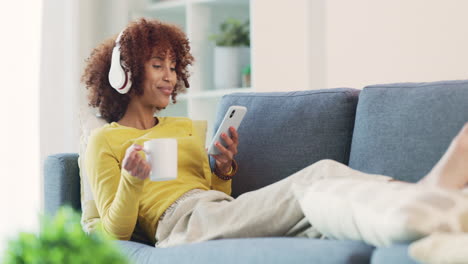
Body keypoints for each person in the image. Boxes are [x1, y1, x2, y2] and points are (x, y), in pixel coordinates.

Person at [82, 18, 468, 248]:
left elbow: (215, 195)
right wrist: (133, 181)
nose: (169, 76)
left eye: (172, 66)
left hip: (215, 211)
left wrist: (221, 167)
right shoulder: (107, 141)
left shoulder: (181, 128)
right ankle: (429, 189)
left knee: (324, 217)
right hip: (178, 227)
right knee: (318, 177)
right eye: (157, 65)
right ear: (125, 72)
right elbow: (114, 234)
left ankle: (432, 216)